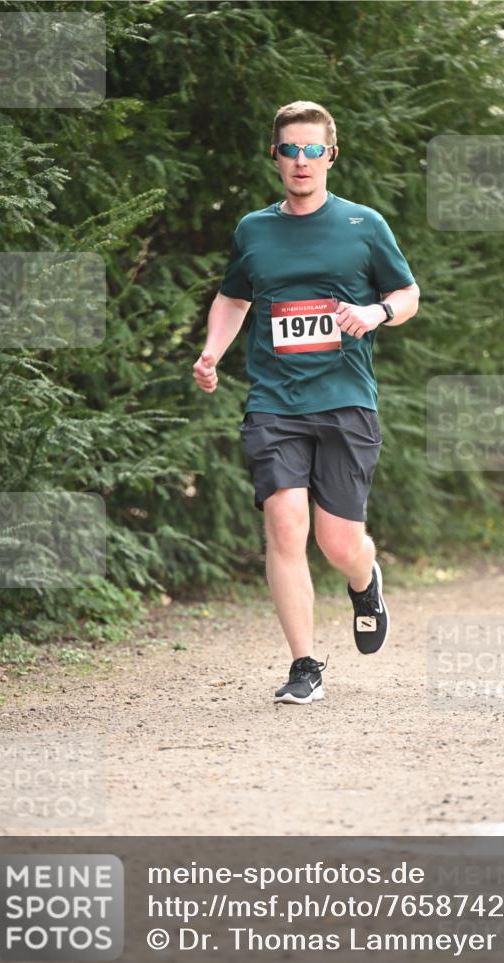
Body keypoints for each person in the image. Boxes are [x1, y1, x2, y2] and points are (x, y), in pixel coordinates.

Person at [193, 101, 419, 706]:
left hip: (345, 399)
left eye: (312, 149)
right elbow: (233, 299)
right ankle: (303, 665)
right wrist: (212, 352)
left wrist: (375, 312)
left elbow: (407, 292)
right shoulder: (253, 230)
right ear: (276, 156)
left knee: (338, 542)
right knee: (285, 525)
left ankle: (364, 580)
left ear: (330, 156)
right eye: (290, 149)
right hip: (274, 401)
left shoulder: (364, 224)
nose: (301, 160)